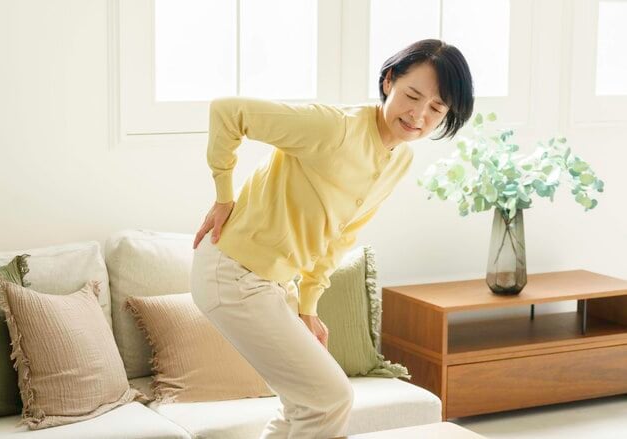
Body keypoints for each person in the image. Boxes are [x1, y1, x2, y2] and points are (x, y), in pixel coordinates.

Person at [190, 39, 474, 438]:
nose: (419, 115)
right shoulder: (336, 127)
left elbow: (342, 234)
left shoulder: (399, 159)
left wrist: (308, 305)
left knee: (306, 404)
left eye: (436, 108)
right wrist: (224, 196)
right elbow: (227, 111)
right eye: (412, 96)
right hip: (232, 271)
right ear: (389, 81)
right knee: (330, 397)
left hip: (268, 280)